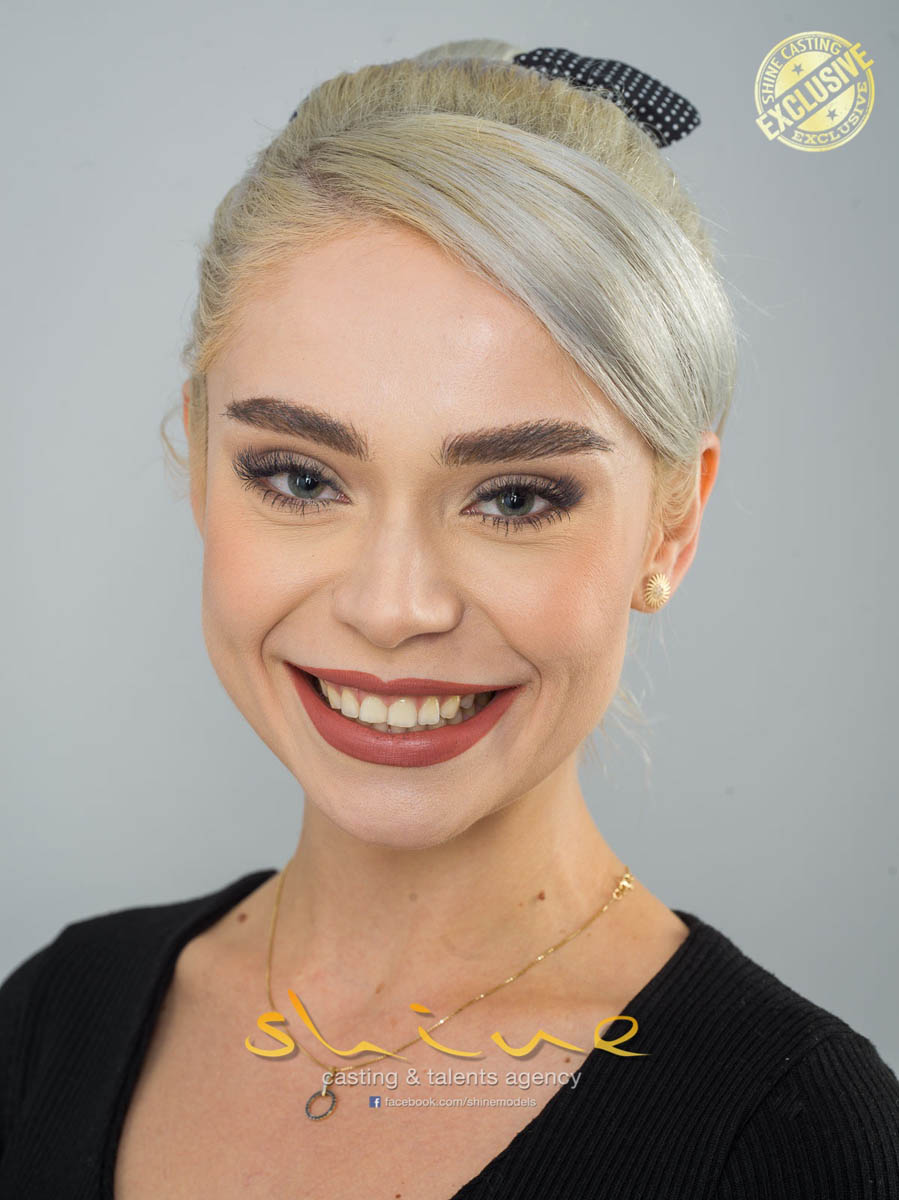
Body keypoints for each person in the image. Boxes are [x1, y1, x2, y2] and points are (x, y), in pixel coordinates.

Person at [2, 38, 898, 1200]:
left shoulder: (797, 1140)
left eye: (514, 498)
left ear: (670, 526)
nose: (392, 608)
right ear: (203, 463)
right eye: (299, 477)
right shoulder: (53, 1017)